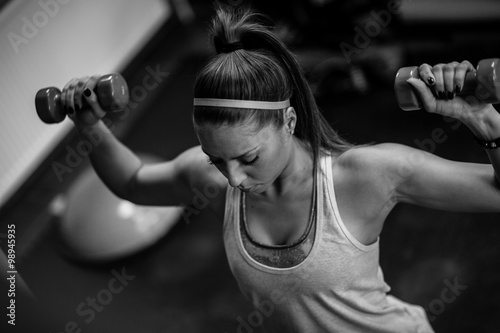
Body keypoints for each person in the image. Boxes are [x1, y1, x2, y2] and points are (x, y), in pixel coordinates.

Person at [61, 5, 500, 332]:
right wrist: (89, 125)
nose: (232, 179)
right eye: (217, 159)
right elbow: (133, 182)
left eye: (248, 158)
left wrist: (484, 122)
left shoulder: (366, 174)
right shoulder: (212, 181)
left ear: (288, 122)